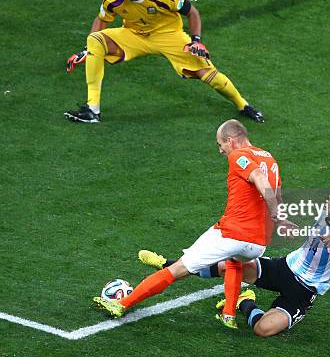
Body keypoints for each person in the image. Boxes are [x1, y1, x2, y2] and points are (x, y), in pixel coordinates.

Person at [93, 119, 295, 328]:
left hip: (233, 234)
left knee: (178, 268)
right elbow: (277, 194)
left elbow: (259, 179)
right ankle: (228, 315)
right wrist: (281, 219)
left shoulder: (239, 155)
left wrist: (278, 217)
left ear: (230, 140)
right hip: (258, 243)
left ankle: (121, 304)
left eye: (220, 145)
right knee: (234, 262)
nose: (221, 151)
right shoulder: (269, 158)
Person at [138, 186, 330, 336]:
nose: (327, 203)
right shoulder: (324, 213)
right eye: (328, 199)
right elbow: (323, 249)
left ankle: (244, 301)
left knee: (263, 329)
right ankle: (168, 264)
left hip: (303, 290)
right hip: (285, 267)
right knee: (229, 265)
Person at [64, 0, 264, 123]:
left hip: (168, 35)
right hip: (134, 35)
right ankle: (92, 109)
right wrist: (87, 50)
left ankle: (242, 105)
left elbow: (192, 12)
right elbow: (101, 20)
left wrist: (196, 41)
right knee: (95, 40)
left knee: (206, 73)